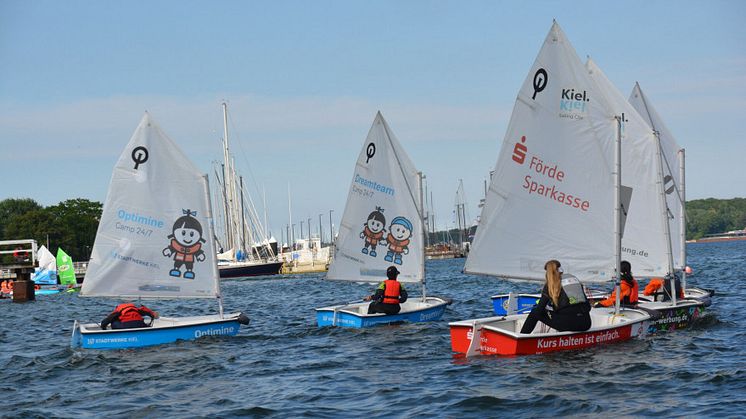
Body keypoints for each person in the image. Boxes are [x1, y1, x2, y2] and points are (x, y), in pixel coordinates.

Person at [520, 260, 591, 334]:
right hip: (585, 324)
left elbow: (539, 310)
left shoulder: (550, 285)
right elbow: (587, 307)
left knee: (535, 311)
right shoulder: (573, 280)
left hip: (568, 325)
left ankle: (521, 337)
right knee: (564, 313)